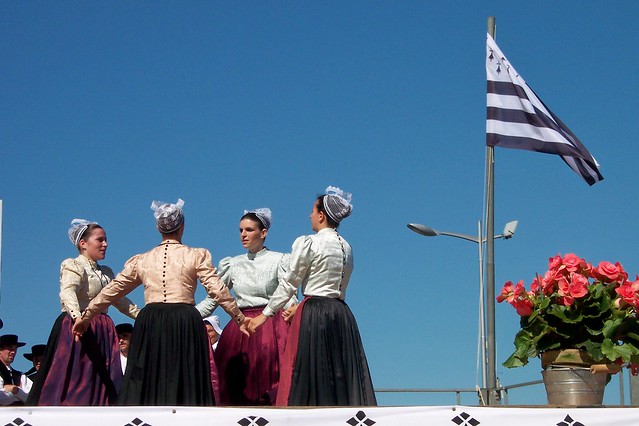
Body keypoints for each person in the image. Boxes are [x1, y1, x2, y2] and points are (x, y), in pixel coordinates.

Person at [73, 198, 250, 406]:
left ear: (158, 228)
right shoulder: (195, 255)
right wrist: (238, 318)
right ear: (182, 227)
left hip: (151, 320)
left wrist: (86, 316)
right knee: (186, 377)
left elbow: (111, 291)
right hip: (184, 319)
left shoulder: (143, 259)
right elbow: (217, 289)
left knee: (149, 377)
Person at [249, 186, 377, 406]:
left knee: (310, 371)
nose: (310, 215)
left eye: (312, 210)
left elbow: (290, 282)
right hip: (342, 313)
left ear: (321, 215)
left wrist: (265, 315)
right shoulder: (347, 247)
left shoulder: (309, 242)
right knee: (340, 373)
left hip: (315, 313)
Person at [27, 219, 140, 406]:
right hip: (79, 327)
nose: (105, 244)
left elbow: (119, 299)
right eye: (100, 240)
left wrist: (143, 316)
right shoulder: (74, 265)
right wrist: (78, 318)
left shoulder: (106, 272)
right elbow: (67, 291)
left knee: (104, 380)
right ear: (83, 244)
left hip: (103, 329)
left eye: (106, 240)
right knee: (77, 378)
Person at [197, 207, 295, 406]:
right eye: (241, 230)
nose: (243, 235)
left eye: (249, 230)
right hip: (241, 328)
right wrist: (184, 314)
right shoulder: (232, 264)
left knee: (274, 387)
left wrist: (295, 313)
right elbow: (214, 299)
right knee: (234, 389)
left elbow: (289, 296)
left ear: (263, 233)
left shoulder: (279, 260)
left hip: (272, 328)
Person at [0, 334, 28, 406]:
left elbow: (32, 397)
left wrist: (16, 390)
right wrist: (21, 395)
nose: (13, 352)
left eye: (15, 349)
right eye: (10, 348)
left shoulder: (20, 375)